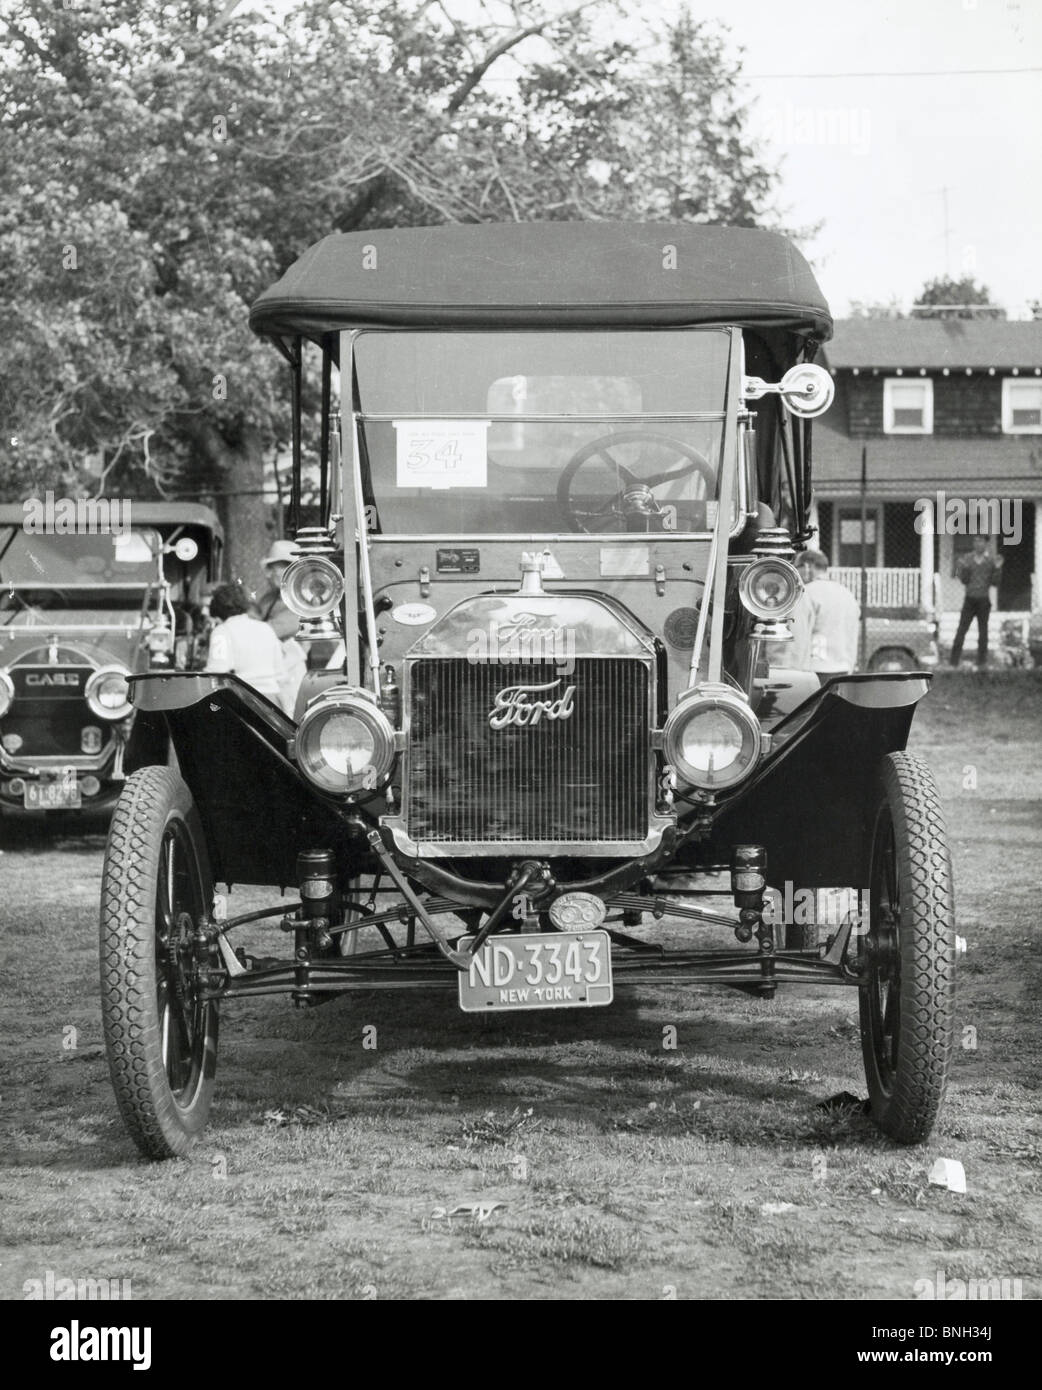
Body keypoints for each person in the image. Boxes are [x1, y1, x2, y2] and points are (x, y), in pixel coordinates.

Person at [205, 583, 289, 711]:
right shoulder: (265, 628)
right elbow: (280, 673)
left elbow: (216, 672)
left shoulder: (222, 631)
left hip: (243, 701)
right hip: (273, 702)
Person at [255, 539, 306, 713]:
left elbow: (273, 630)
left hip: (290, 671)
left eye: (279, 567)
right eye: (272, 568)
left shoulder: (302, 598)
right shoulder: (269, 598)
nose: (272, 574)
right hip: (268, 671)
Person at [794, 549, 861, 681]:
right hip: (843, 669)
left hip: (813, 671)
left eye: (797, 567)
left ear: (807, 566)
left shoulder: (806, 593)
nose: (796, 573)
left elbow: (798, 638)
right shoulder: (847, 594)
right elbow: (852, 636)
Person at [950, 536, 1002, 669]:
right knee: (961, 630)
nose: (977, 544)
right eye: (975, 541)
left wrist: (997, 568)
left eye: (980, 541)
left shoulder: (991, 560)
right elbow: (964, 580)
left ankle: (981, 662)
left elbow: (995, 583)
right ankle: (953, 662)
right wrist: (964, 569)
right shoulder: (967, 558)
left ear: (986, 544)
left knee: (983, 631)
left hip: (983, 600)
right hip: (970, 600)